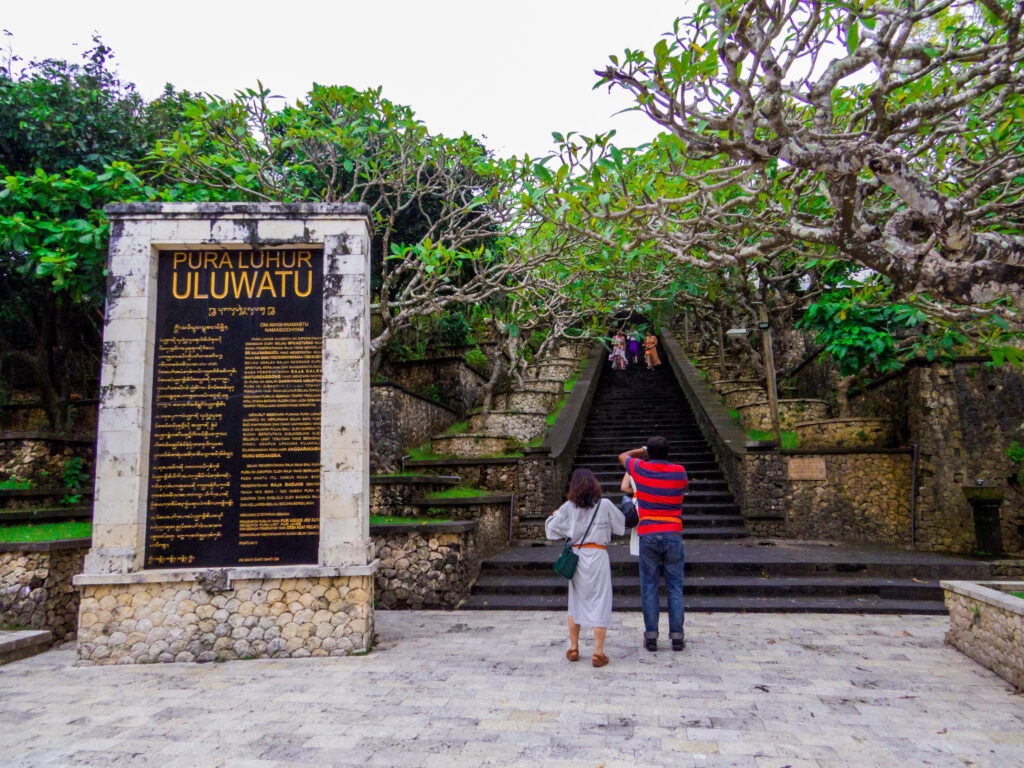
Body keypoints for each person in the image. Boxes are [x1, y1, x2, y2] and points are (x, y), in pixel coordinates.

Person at [545, 468, 626, 667]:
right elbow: (620, 527)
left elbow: (551, 530)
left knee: (575, 601)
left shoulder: (569, 507)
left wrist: (557, 516)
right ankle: (598, 652)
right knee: (601, 601)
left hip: (578, 557)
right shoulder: (605, 504)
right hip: (598, 555)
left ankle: (574, 647)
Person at [618, 436, 688, 652]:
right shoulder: (679, 471)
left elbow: (623, 456)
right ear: (668, 454)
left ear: (649, 453)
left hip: (648, 533)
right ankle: (677, 637)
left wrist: (642, 450)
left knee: (649, 586)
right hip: (673, 533)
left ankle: (651, 637)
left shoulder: (640, 469)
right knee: (675, 587)